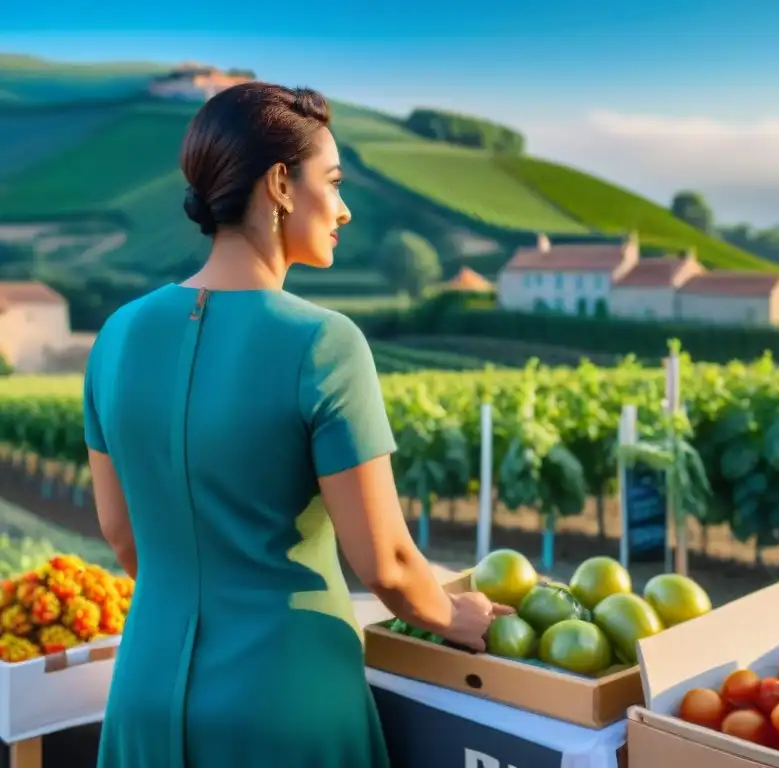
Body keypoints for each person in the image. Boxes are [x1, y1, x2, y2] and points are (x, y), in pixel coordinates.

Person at [84, 81, 510, 768]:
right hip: (285, 704)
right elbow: (389, 565)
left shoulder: (116, 337)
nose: (342, 210)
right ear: (281, 184)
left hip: (144, 691)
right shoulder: (324, 344)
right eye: (333, 183)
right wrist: (454, 615)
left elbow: (122, 535)